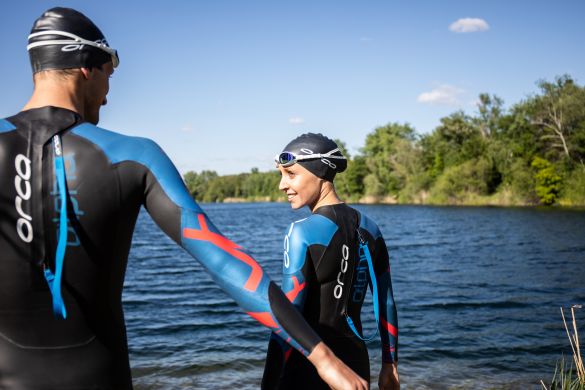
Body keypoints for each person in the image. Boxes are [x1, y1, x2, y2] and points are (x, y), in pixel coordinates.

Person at [0, 7, 368, 390]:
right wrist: (323, 358)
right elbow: (223, 260)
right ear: (85, 66)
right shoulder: (132, 155)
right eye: (110, 76)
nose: (107, 98)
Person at [261, 133, 400, 389]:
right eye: (281, 174)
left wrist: (269, 382)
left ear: (320, 172)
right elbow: (387, 302)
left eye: (291, 174)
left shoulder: (301, 232)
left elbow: (287, 318)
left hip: (309, 369)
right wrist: (390, 365)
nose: (282, 185)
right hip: (356, 365)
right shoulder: (372, 228)